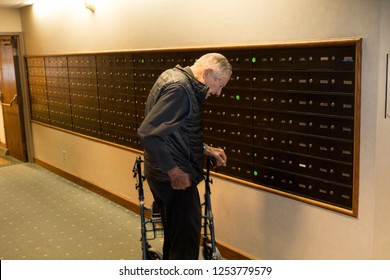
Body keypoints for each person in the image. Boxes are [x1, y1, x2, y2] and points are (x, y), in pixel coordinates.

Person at [137, 53, 232, 259]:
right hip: (174, 181)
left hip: (161, 176)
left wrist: (205, 149)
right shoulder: (180, 89)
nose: (218, 92)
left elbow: (174, 130)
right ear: (207, 73)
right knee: (186, 247)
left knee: (175, 237)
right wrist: (174, 171)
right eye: (220, 84)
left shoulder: (174, 77)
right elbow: (148, 133)